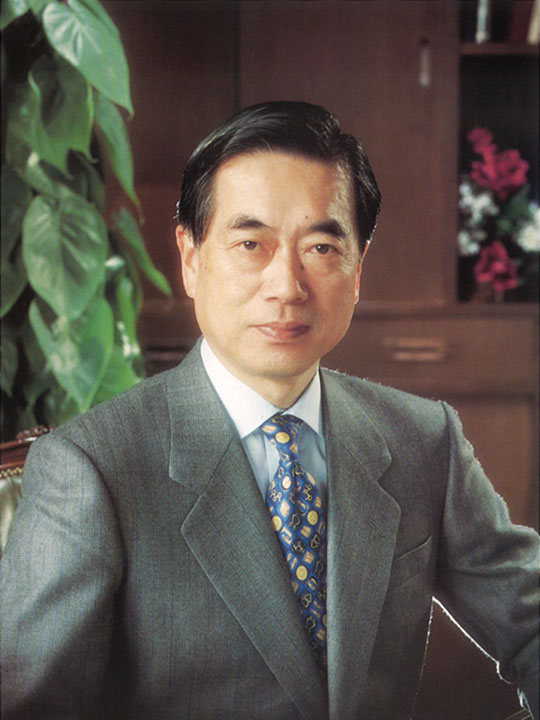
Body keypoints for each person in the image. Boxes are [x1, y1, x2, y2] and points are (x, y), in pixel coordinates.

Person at [1, 101, 538, 720]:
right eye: (251, 243)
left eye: (321, 247)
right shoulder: (92, 468)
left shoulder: (424, 440)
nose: (286, 286)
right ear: (191, 258)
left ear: (357, 270)